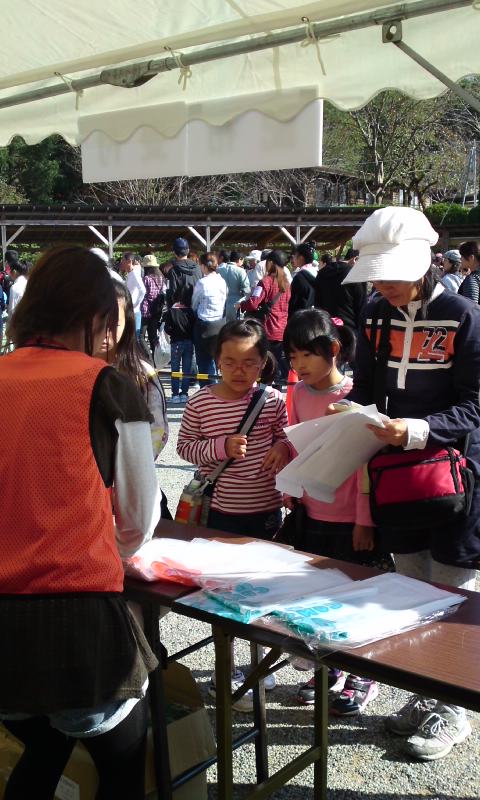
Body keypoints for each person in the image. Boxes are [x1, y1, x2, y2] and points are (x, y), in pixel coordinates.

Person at [0, 245, 161, 799]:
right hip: (80, 627)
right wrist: (110, 549)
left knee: (42, 748)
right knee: (123, 764)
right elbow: (139, 517)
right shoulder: (106, 385)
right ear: (93, 315)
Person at [340, 206, 480, 760]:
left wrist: (417, 429)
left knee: (453, 592)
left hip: (455, 477)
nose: (381, 285)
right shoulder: (375, 314)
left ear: (422, 263)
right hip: (396, 475)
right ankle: (425, 692)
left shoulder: (464, 316)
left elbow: (475, 405)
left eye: (390, 274)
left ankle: (455, 708)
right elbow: (368, 389)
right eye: (375, 276)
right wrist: (347, 412)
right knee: (411, 591)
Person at [177, 319, 291, 710]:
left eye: (249, 363)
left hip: (267, 512)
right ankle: (225, 667)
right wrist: (220, 447)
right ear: (216, 360)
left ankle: (259, 664)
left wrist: (282, 448)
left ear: (264, 363)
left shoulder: (273, 401)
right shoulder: (200, 401)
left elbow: (286, 438)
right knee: (224, 595)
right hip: (221, 513)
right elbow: (185, 447)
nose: (239, 371)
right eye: (230, 362)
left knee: (263, 591)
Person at [283, 308, 389, 714]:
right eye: (292, 357)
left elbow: (365, 463)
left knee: (356, 598)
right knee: (318, 599)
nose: (299, 364)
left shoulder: (354, 395)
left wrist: (365, 519)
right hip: (312, 513)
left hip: (351, 518)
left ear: (332, 349)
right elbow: (298, 443)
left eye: (306, 354)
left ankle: (363, 674)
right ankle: (328, 667)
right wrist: (291, 488)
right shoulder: (297, 393)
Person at [96, 279, 169, 463]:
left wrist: (136, 465)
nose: (105, 332)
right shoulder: (73, 368)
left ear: (127, 322)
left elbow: (157, 427)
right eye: (97, 322)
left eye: (114, 323)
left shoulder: (141, 372)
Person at [240, 249, 291, 386]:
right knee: (277, 366)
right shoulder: (287, 283)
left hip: (267, 329)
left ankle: (263, 394)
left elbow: (253, 303)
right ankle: (276, 393)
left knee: (265, 367)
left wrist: (241, 305)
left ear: (270, 263)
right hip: (281, 330)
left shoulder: (265, 282)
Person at [191, 252, 227, 388]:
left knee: (203, 361)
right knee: (217, 359)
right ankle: (218, 387)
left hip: (204, 325)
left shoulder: (202, 283)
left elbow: (194, 303)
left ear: (204, 266)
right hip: (219, 324)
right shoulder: (222, 281)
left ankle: (206, 390)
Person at [314, 247, 366, 335]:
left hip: (326, 329)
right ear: (355, 259)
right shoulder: (356, 275)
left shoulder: (321, 274)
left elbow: (317, 304)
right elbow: (361, 308)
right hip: (350, 332)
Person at [140, 254, 166, 356]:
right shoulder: (161, 278)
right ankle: (156, 358)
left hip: (146, 310)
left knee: (141, 336)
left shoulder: (146, 279)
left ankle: (148, 358)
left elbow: (144, 294)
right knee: (153, 336)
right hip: (157, 310)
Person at [218, 250, 251, 321]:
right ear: (239, 259)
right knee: (237, 326)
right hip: (237, 304)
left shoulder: (219, 270)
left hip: (222, 304)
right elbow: (247, 290)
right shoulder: (241, 271)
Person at [288, 242, 317, 317]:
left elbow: (293, 301)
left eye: (295, 255)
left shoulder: (299, 277)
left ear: (301, 258)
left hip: (301, 317)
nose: (293, 257)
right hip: (316, 315)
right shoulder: (317, 273)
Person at [122, 251, 146, 337]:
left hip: (134, 312)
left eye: (123, 260)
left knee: (134, 338)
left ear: (129, 261)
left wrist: (136, 304)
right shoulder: (130, 274)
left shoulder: (134, 274)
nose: (121, 263)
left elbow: (143, 290)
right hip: (130, 310)